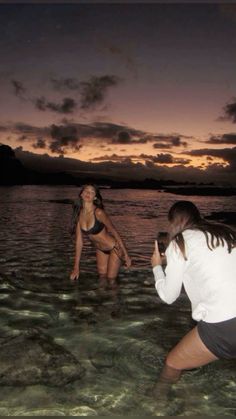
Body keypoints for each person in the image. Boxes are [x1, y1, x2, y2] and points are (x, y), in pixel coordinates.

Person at [151, 200, 236, 385]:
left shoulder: (179, 243)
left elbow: (168, 296)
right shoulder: (225, 233)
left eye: (170, 222)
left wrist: (157, 267)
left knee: (172, 364)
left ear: (176, 221)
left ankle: (155, 407)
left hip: (225, 325)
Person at [70, 184, 131, 283]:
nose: (88, 193)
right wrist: (76, 267)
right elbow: (79, 242)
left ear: (95, 197)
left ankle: (114, 296)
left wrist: (126, 255)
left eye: (92, 192)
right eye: (86, 191)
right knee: (102, 279)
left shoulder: (98, 213)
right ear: (81, 194)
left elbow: (114, 232)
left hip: (114, 248)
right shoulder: (78, 214)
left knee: (111, 281)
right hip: (100, 250)